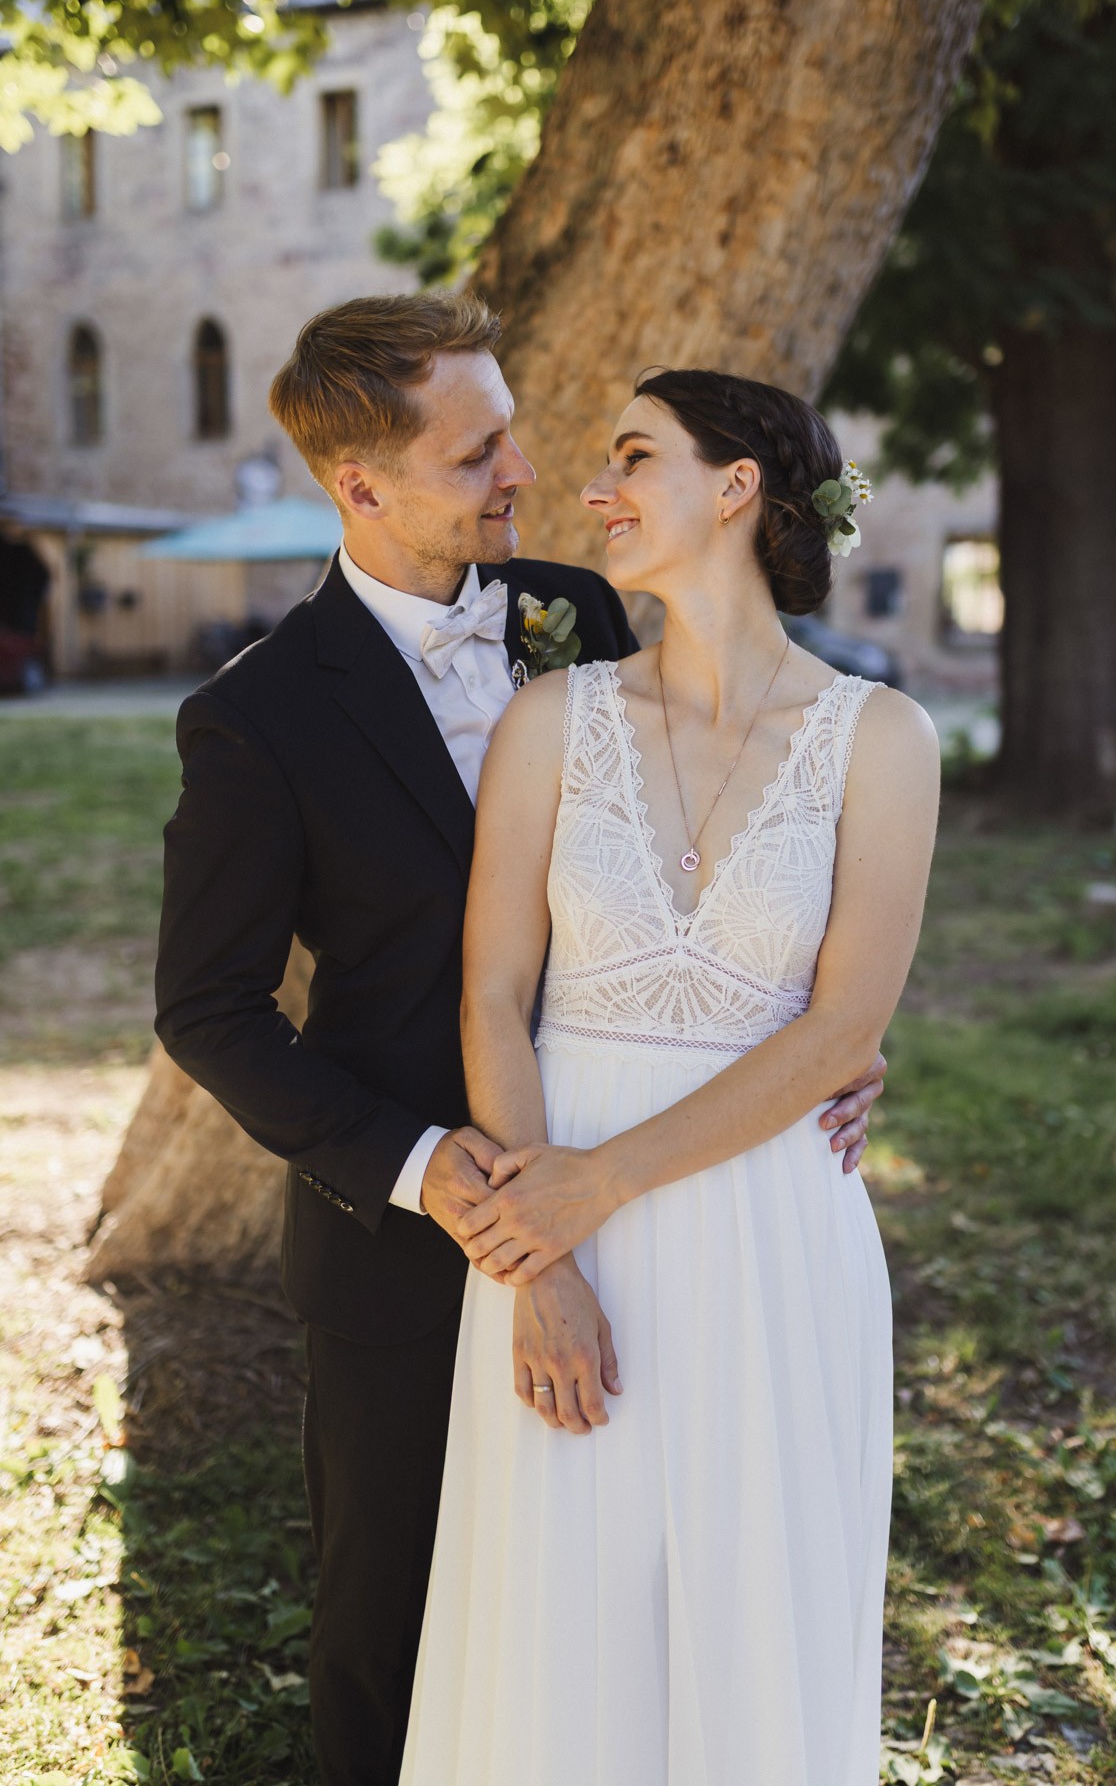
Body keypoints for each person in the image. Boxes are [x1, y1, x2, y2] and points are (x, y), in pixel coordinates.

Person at [152, 295, 885, 1786]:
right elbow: (208, 1009)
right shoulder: (260, 717)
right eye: (480, 449)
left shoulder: (586, 608)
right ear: (361, 485)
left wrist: (820, 1039)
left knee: (628, 1620)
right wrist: (442, 1179)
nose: (525, 474)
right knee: (394, 1632)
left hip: (658, 1196)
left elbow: (722, 857)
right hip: (408, 1244)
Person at [400, 369, 940, 1784]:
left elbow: (839, 1034)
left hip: (772, 1239)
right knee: (557, 1634)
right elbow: (494, 996)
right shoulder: (552, 722)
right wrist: (540, 1263)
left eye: (636, 456)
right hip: (547, 1224)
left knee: (755, 1628)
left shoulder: (883, 742)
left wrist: (597, 1187)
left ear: (739, 489)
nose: (597, 489)